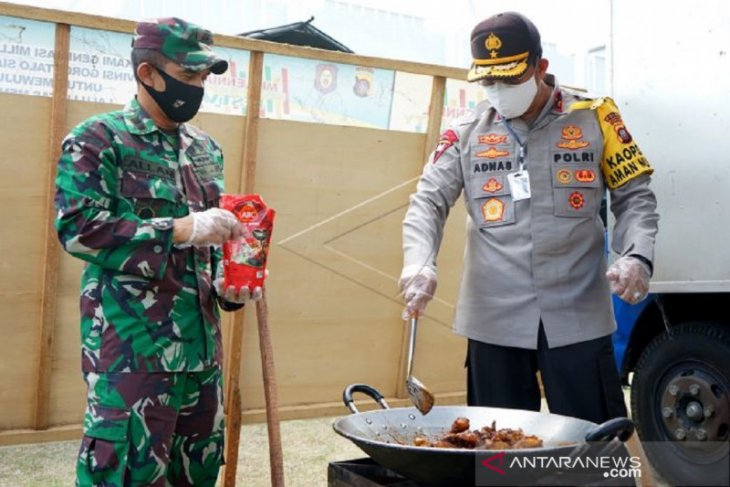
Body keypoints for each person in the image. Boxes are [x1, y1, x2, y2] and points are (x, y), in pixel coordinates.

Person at [399, 12, 659, 424]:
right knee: (500, 453)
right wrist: (419, 263)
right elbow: (427, 202)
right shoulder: (466, 132)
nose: (498, 90)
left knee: (595, 446)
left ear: (540, 68)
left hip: (576, 313)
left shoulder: (596, 117)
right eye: (488, 81)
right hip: (493, 318)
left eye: (511, 78)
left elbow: (635, 197)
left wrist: (635, 256)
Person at [54, 17, 260, 486]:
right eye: (187, 77)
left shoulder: (206, 149)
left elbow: (209, 247)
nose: (197, 88)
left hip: (202, 358)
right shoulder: (98, 140)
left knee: (199, 471)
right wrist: (180, 229)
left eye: (203, 78)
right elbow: (77, 227)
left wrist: (230, 286)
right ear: (148, 74)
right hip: (133, 356)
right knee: (127, 474)